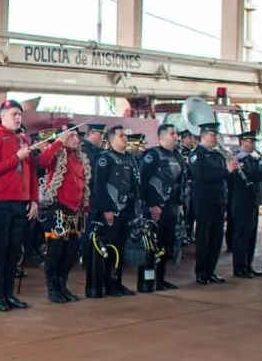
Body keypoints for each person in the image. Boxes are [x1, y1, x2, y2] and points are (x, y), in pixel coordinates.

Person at [0, 99, 37, 311]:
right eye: (14, 114)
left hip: (20, 203)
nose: (17, 118)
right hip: (0, 202)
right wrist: (16, 157)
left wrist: (33, 199)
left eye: (20, 114)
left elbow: (31, 172)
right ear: (2, 116)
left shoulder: (23, 139)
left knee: (15, 250)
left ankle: (9, 293)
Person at [38, 122, 90, 303]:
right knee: (56, 251)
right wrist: (58, 142)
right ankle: (53, 288)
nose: (76, 139)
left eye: (77, 136)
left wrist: (85, 206)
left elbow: (83, 184)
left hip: (75, 211)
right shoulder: (56, 153)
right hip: (58, 209)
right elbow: (42, 161)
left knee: (71, 251)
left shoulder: (80, 158)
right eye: (71, 136)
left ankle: (63, 286)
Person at [89, 125, 139, 296]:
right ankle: (105, 285)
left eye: (126, 135)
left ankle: (116, 283)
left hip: (125, 211)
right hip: (109, 212)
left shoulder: (130, 159)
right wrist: (107, 209)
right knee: (108, 250)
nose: (125, 138)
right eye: (121, 135)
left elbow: (134, 185)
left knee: (120, 249)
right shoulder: (105, 159)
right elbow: (99, 187)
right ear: (111, 140)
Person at [190, 122, 238, 284]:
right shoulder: (197, 154)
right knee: (204, 237)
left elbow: (225, 178)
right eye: (212, 135)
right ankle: (201, 272)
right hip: (204, 202)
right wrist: (226, 171)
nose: (215, 138)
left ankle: (211, 271)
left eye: (216, 135)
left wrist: (232, 170)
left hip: (219, 201)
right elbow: (202, 175)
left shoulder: (218, 155)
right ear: (203, 135)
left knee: (216, 238)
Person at [139, 123, 185, 288]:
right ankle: (147, 280)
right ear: (161, 136)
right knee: (151, 246)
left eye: (176, 133)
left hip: (171, 208)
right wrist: (151, 205)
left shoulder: (177, 156)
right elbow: (142, 183)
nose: (176, 136)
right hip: (155, 209)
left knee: (166, 246)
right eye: (172, 133)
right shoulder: (152, 155)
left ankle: (160, 279)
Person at [229, 131, 262, 278]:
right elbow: (252, 176)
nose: (251, 145)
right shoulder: (239, 160)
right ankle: (239, 268)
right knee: (241, 235)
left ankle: (248, 265)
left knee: (251, 235)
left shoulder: (253, 159)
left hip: (252, 202)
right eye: (248, 142)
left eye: (253, 142)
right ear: (241, 143)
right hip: (240, 202)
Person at [178, 129, 197, 243]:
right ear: (184, 138)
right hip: (185, 186)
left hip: (192, 185)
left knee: (191, 212)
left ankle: (189, 234)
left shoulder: (192, 152)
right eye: (190, 138)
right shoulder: (180, 152)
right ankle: (184, 235)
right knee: (185, 211)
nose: (192, 140)